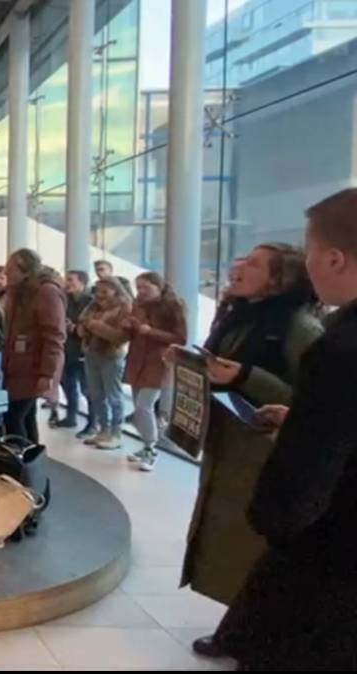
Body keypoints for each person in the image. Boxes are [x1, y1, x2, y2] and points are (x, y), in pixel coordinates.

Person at [192, 189, 357, 669]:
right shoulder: (241, 318)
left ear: (332, 258)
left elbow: (298, 488)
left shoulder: (330, 343)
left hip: (326, 551)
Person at [202, 242, 324, 407]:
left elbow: (315, 403)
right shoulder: (236, 317)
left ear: (277, 280)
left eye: (252, 264)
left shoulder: (302, 329)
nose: (239, 265)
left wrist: (246, 377)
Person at [122, 271, 187, 471]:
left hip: (158, 363)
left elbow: (181, 338)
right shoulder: (138, 304)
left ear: (158, 287)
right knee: (138, 405)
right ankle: (146, 444)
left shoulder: (174, 307)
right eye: (138, 287)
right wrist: (129, 327)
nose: (141, 292)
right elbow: (135, 331)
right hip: (137, 359)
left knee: (144, 406)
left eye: (145, 288)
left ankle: (151, 447)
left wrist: (150, 332)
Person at [1, 249, 66, 444]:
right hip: (17, 366)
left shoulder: (46, 292)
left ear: (26, 271)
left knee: (14, 417)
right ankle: (30, 465)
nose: (6, 273)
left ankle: (21, 462)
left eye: (11, 269)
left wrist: (48, 374)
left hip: (33, 367)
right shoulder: (17, 293)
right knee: (25, 417)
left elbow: (54, 337)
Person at [76, 277, 131, 450]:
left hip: (111, 356)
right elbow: (81, 324)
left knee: (113, 395)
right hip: (91, 353)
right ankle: (103, 429)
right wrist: (86, 328)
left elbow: (120, 337)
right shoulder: (92, 306)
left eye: (104, 291)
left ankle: (116, 432)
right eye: (98, 291)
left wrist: (95, 326)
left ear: (115, 290)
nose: (100, 295)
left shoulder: (124, 308)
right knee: (96, 394)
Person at [57, 270, 94, 431]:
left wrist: (74, 327)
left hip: (83, 350)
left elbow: (89, 325)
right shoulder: (67, 300)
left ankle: (92, 422)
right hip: (67, 349)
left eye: (71, 280)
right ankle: (71, 416)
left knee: (88, 388)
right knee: (68, 384)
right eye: (66, 279)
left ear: (82, 282)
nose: (67, 283)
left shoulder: (90, 302)